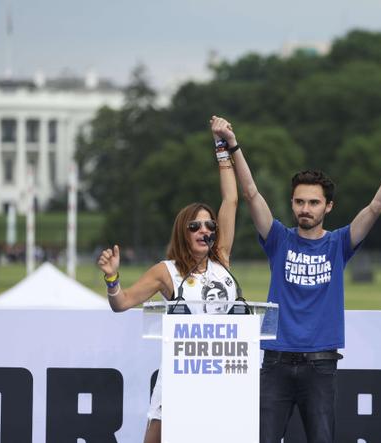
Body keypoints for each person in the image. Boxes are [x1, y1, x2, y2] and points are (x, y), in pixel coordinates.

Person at [208, 115, 381, 442]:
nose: (306, 208)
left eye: (314, 202)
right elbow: (250, 192)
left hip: (321, 366)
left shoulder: (339, 244)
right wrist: (231, 144)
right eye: (300, 201)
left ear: (328, 206)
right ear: (291, 203)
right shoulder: (277, 239)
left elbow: (375, 208)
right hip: (274, 362)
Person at [96, 118, 238, 443]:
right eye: (195, 226)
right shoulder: (167, 271)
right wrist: (112, 279)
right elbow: (122, 303)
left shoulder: (222, 259)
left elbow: (230, 200)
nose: (205, 230)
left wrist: (222, 146)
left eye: (209, 225)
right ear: (182, 232)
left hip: (223, 374)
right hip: (180, 376)